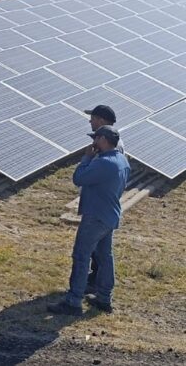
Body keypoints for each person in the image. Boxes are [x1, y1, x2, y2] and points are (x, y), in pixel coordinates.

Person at [48, 125, 130, 316]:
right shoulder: (122, 160)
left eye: (96, 138)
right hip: (110, 215)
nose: (93, 142)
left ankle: (73, 301)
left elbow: (78, 178)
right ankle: (104, 298)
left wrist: (87, 158)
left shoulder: (103, 162)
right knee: (104, 257)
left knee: (81, 256)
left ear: (103, 140)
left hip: (95, 216)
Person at [82, 104, 118, 289]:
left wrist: (86, 161)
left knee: (86, 252)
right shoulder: (112, 143)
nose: (90, 121)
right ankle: (100, 287)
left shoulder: (112, 149)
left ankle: (85, 289)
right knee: (102, 252)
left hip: (99, 208)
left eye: (93, 118)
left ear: (102, 121)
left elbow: (81, 178)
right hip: (105, 207)